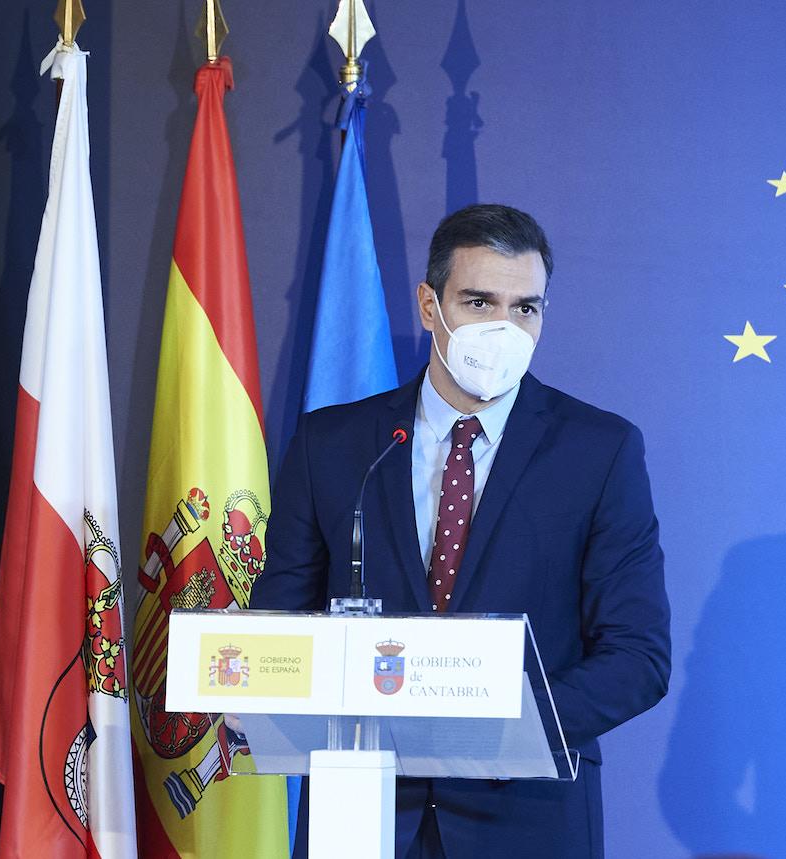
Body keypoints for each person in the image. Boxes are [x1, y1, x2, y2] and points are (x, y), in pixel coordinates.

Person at [252, 203, 671, 859]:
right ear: (429, 306)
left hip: (525, 821)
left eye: (525, 308)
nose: (504, 328)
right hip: (362, 813)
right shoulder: (333, 445)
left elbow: (638, 656)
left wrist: (505, 728)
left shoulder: (599, 452)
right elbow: (278, 618)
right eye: (480, 301)